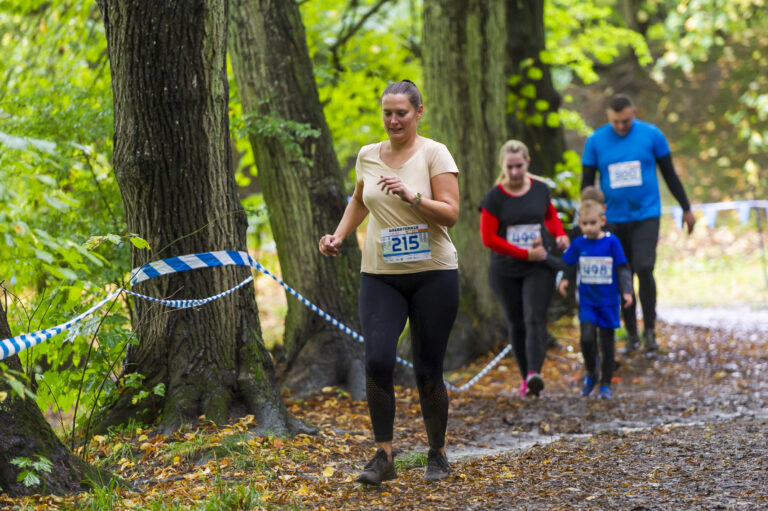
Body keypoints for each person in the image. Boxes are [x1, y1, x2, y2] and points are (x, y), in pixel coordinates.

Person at [318, 80, 459, 485]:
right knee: (378, 360)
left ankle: (437, 452)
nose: (393, 120)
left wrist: (413, 197)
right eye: (387, 113)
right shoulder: (367, 156)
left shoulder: (435, 153)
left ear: (418, 112)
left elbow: (450, 214)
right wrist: (339, 237)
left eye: (401, 112)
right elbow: (360, 200)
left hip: (433, 274)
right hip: (381, 275)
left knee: (428, 369)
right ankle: (384, 456)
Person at [581, 93, 695, 353]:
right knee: (623, 275)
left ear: (634, 111)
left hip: (646, 214)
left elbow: (669, 174)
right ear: (608, 117)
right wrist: (588, 219)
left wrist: (686, 208)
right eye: (616, 122)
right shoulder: (596, 141)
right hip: (612, 220)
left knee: (644, 267)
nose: (621, 126)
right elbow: (587, 185)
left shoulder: (652, 134)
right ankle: (631, 334)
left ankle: (650, 330)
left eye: (625, 121)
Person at [480, 139, 569, 398]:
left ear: (527, 163)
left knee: (534, 318)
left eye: (520, 166)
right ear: (502, 166)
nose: (516, 172)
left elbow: (550, 216)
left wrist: (560, 235)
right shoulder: (494, 197)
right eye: (510, 167)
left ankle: (534, 374)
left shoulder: (540, 189)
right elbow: (488, 239)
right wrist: (523, 253)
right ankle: (525, 377)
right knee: (516, 322)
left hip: (538, 266)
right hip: (505, 269)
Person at [558, 199, 634, 398]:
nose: (589, 228)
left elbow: (622, 267)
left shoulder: (611, 242)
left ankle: (606, 383)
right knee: (586, 338)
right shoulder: (578, 244)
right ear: (580, 224)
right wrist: (565, 279)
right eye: (584, 224)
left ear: (602, 221)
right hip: (587, 302)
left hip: (608, 302)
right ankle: (591, 372)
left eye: (593, 223)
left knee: (607, 344)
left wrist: (627, 291)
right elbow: (567, 264)